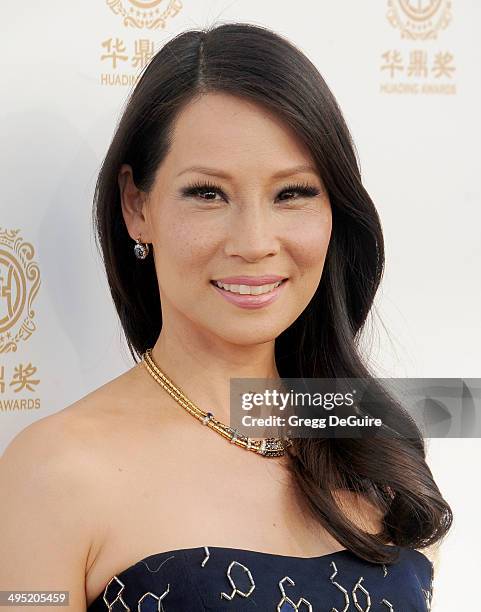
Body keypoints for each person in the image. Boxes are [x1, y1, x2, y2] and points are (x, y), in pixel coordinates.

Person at [0, 22, 452, 610]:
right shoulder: (52, 471)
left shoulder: (376, 442)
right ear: (137, 206)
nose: (255, 241)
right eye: (208, 193)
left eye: (293, 194)